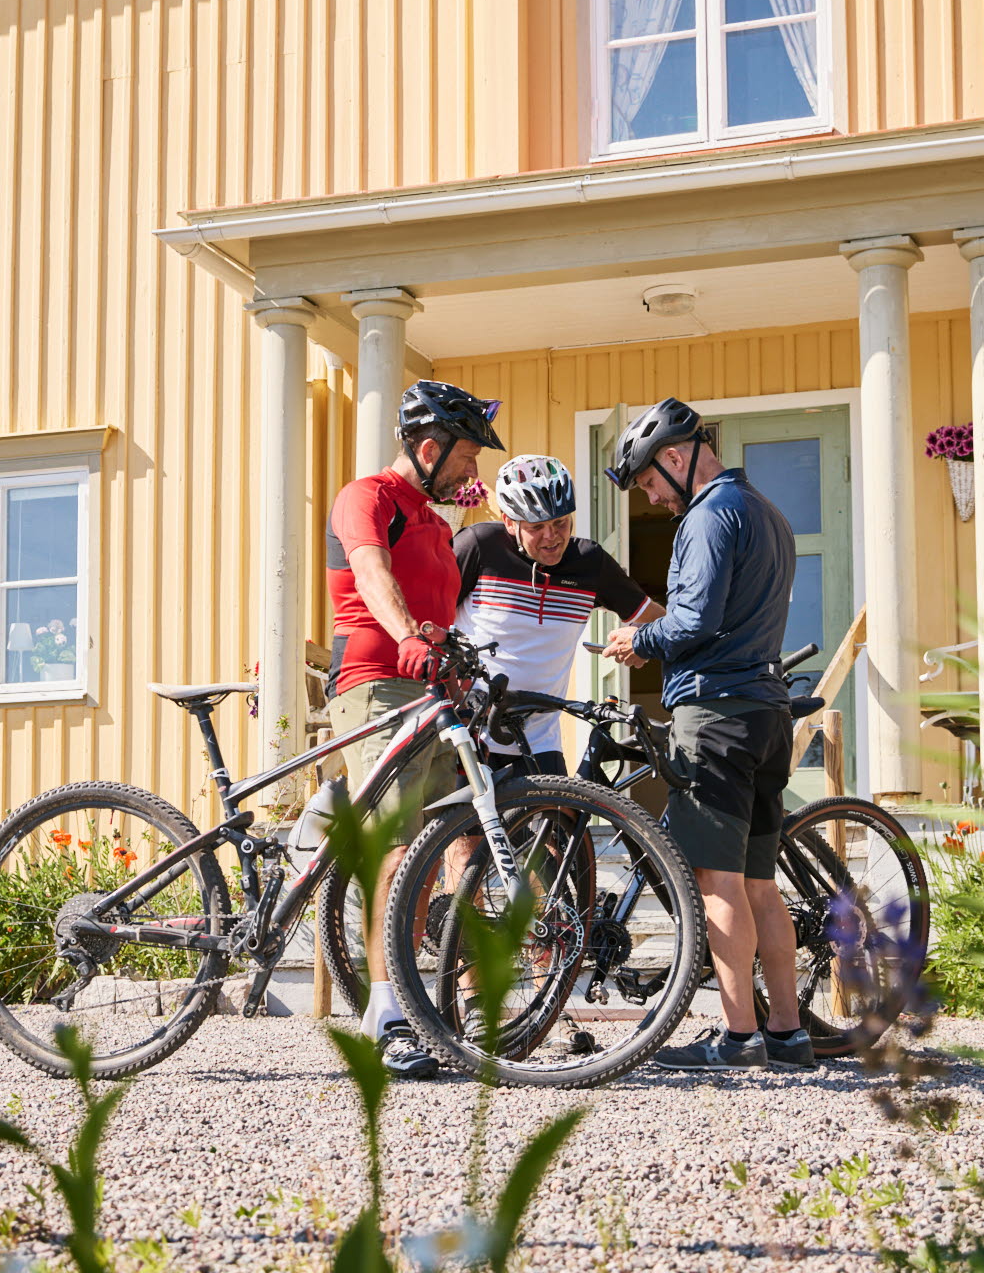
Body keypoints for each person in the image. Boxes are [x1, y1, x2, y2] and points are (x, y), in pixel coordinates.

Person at [600, 398, 813, 1073]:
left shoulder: (709, 516)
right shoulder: (770, 516)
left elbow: (692, 622)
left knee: (717, 881)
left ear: (675, 456)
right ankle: (788, 1032)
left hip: (715, 717)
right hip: (767, 714)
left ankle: (739, 1036)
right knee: (759, 881)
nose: (655, 498)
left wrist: (640, 638)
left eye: (650, 483)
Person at [321, 378, 503, 1080]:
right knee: (395, 850)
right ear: (428, 448)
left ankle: (421, 1002)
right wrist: (407, 636)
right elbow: (370, 572)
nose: (473, 472)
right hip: (379, 683)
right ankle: (386, 1017)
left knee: (437, 849)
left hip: (430, 689)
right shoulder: (367, 496)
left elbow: (445, 611)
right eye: (466, 456)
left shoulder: (432, 521)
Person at [454, 455, 661, 778]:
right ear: (510, 522)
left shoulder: (590, 562)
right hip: (468, 729)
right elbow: (428, 619)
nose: (552, 537)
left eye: (561, 523)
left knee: (558, 826)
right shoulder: (480, 546)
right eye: (536, 527)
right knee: (470, 830)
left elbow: (656, 618)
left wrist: (642, 642)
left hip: (539, 740)